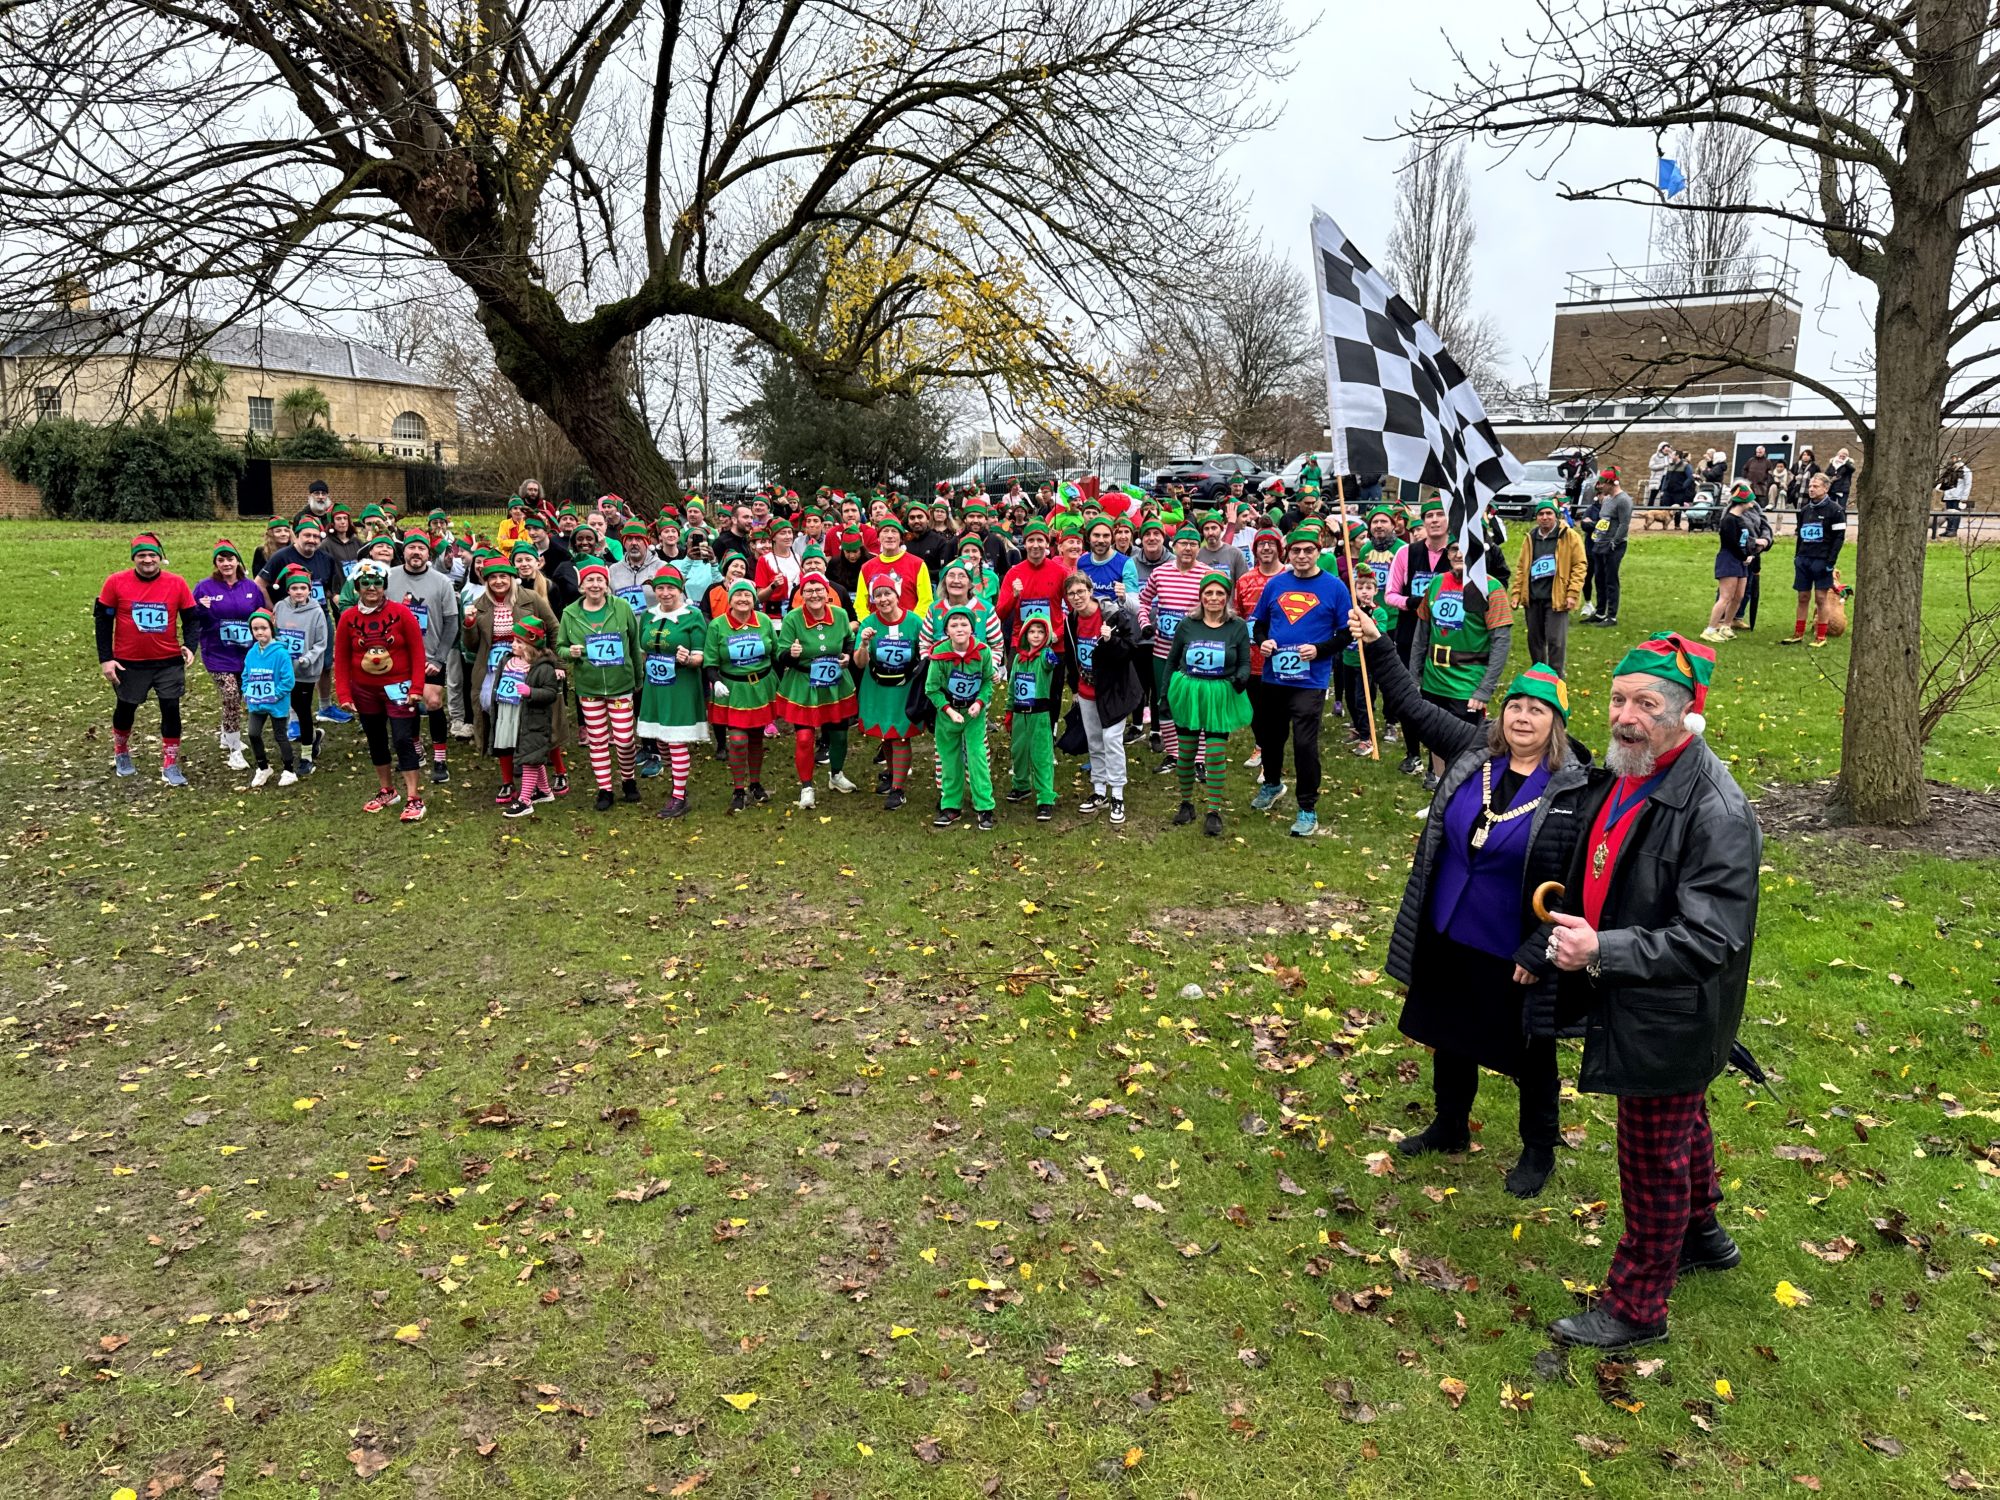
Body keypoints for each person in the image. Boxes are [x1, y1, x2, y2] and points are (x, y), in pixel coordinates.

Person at [1530, 633, 1761, 1351]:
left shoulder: (1715, 810)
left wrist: (1603, 948)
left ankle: (1637, 1306)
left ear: (1688, 715)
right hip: (1634, 989)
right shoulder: (1633, 770)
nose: (1626, 716)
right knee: (1682, 1121)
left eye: (1646, 704)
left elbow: (1710, 938)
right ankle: (1703, 1235)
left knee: (1650, 1150)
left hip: (1669, 1006)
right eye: (1619, 699)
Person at [1357, 607, 1595, 1197]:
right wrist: (1380, 644)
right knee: (1449, 1027)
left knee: (1529, 1051)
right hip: (1450, 921)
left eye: (1537, 710)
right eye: (1516, 705)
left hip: (1514, 940)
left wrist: (1542, 947)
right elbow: (1413, 707)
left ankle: (1539, 1148)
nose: (1522, 717)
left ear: (1556, 723)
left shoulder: (1576, 789)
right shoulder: (1474, 752)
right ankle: (1450, 1124)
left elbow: (1581, 885)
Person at [1249, 528, 1353, 837]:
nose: (1302, 556)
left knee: (1305, 743)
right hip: (1274, 676)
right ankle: (1272, 784)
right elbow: (1260, 625)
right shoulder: (1276, 584)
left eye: (1308, 550)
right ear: (1287, 554)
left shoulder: (1334, 587)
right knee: (1271, 736)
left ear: (1318, 552)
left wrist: (1319, 650)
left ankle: (1307, 808)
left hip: (1311, 679)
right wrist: (1263, 642)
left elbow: (1346, 633)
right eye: (1296, 551)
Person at [97, 533, 200, 784]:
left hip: (167, 660)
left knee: (171, 709)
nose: (147, 560)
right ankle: (121, 751)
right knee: (126, 708)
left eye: (152, 555)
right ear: (134, 558)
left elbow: (191, 617)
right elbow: (102, 621)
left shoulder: (176, 583)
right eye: (141, 555)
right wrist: (106, 659)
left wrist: (189, 645)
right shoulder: (115, 582)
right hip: (128, 662)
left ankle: (171, 764)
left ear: (160, 557)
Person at [331, 558, 428, 821]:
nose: (371, 588)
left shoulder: (401, 613)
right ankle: (387, 790)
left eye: (376, 583)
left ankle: (413, 797)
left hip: (399, 689)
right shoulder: (348, 618)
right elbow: (340, 658)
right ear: (357, 586)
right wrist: (344, 693)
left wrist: (417, 686)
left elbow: (418, 652)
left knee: (402, 739)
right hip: (364, 690)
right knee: (375, 739)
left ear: (384, 585)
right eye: (365, 583)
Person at [1413, 541, 1514, 791]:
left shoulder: (1491, 588)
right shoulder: (1436, 583)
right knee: (1435, 736)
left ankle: (1461, 792)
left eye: (1466, 548)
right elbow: (1421, 633)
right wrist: (1414, 676)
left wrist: (1484, 690)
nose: (1458, 554)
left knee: (1465, 744)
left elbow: (1500, 643)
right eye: (1453, 549)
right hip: (1434, 679)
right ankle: (1439, 786)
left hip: (1467, 684)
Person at [1164, 572, 1254, 836]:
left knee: (1214, 752)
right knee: (1186, 753)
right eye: (1209, 593)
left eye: (1219, 594)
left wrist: (1241, 678)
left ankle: (1213, 810)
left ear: (1226, 598)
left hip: (1219, 693)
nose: (1214, 598)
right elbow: (1171, 660)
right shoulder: (1187, 624)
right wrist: (1163, 695)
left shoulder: (1236, 626)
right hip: (1189, 691)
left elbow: (1245, 662)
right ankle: (1186, 802)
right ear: (1201, 596)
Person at [559, 561, 644, 811]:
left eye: (600, 580)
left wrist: (638, 678)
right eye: (590, 580)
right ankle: (604, 788)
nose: (595, 585)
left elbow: (634, 643)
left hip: (621, 684)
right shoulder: (569, 613)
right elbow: (560, 646)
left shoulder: (622, 607)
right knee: (597, 740)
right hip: (590, 687)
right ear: (581, 586)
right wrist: (570, 651)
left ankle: (628, 780)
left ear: (607, 585)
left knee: (625, 738)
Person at [1061, 572, 1141, 824]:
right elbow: (1072, 657)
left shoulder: (1112, 615)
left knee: (1112, 739)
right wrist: (1074, 687)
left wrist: (1110, 640)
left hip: (1114, 691)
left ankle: (1117, 793)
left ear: (1090, 590)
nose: (1077, 597)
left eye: (1080, 591)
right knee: (1095, 740)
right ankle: (1099, 791)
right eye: (1071, 594)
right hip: (1087, 690)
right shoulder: (1070, 621)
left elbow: (1130, 649)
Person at [775, 572, 859, 809]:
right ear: (802, 595)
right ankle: (807, 787)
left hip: (835, 684)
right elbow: (781, 654)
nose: (814, 595)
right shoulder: (793, 618)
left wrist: (848, 656)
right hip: (804, 683)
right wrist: (790, 655)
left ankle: (836, 775)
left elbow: (848, 641)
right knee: (804, 737)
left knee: (839, 734)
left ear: (827, 592)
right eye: (809, 591)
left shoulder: (840, 615)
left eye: (819, 589)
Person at [387, 529, 461, 785]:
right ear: (403, 551)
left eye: (421, 548)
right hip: (398, 657)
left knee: (432, 702)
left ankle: (440, 758)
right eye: (411, 547)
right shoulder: (389, 578)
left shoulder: (441, 582)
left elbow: (452, 622)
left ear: (428, 553)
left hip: (431, 656)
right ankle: (416, 750)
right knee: (407, 703)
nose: (416, 552)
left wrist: (439, 658)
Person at [636, 566, 709, 820]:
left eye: (670, 588)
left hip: (681, 685)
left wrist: (688, 659)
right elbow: (643, 649)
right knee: (661, 739)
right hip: (655, 685)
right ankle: (679, 782)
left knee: (676, 740)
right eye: (660, 588)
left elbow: (701, 656)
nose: (665, 593)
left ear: (680, 590)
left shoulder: (693, 615)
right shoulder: (648, 615)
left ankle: (679, 796)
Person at [1386, 500, 1451, 774]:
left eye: (1440, 515)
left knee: (1440, 696)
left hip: (1447, 635)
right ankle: (1413, 753)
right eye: (1429, 516)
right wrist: (1416, 602)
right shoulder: (1406, 553)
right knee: (1409, 691)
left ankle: (1441, 757)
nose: (1434, 520)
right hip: (1410, 632)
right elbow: (1390, 595)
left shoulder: (1459, 554)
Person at [1136, 526, 1207, 776]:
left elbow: (1220, 608)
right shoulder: (1161, 573)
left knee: (1193, 704)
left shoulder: (1207, 575)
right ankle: (1174, 753)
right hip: (1162, 651)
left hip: (1194, 654)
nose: (1187, 548)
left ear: (1199, 547)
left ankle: (1198, 758)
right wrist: (1145, 623)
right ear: (1173, 545)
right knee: (1164, 701)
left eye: (1193, 544)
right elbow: (1144, 601)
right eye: (1183, 543)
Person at [705, 578, 779, 811]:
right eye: (738, 595)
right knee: (737, 740)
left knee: (756, 738)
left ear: (754, 599)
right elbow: (709, 661)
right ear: (730, 599)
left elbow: (776, 653)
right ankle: (738, 788)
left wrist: (777, 682)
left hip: (760, 687)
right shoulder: (718, 625)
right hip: (733, 689)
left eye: (748, 595)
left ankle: (755, 784)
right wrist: (715, 681)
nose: (743, 599)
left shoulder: (764, 621)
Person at [192, 540, 266, 770]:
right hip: (217, 654)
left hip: (246, 653)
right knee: (231, 693)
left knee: (242, 696)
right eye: (221, 560)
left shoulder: (250, 588)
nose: (226, 563)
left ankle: (227, 732)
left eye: (230, 559)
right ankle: (234, 749)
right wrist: (200, 609)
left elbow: (260, 616)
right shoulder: (204, 588)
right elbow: (193, 619)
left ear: (237, 561)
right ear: (216, 563)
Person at [854, 577, 925, 811]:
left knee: (901, 734)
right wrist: (864, 644)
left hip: (905, 688)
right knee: (886, 733)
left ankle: (898, 789)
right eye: (878, 595)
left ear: (897, 595)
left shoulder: (914, 622)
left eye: (888, 594)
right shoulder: (869, 623)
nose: (883, 599)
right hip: (877, 686)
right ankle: (894, 775)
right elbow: (860, 663)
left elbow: (925, 654)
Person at [927, 605, 997, 830]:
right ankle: (951, 806)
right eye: (954, 624)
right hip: (948, 713)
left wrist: (979, 703)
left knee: (977, 757)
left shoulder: (983, 651)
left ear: (972, 628)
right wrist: (948, 710)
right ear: (946, 630)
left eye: (964, 624)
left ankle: (984, 806)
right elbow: (932, 689)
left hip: (974, 713)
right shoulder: (939, 655)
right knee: (949, 759)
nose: (959, 628)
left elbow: (988, 681)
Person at [497, 615, 564, 818]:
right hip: (517, 716)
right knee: (531, 754)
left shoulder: (544, 668)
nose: (513, 644)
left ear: (530, 645)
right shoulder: (510, 661)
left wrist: (530, 692)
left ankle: (525, 801)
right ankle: (544, 791)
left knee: (530, 759)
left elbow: (551, 693)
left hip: (535, 718)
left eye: (518, 641)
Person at [1509, 498, 1584, 676]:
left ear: (1556, 516)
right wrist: (1516, 593)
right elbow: (1522, 568)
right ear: (1536, 517)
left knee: (1555, 640)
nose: (1545, 517)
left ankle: (1557, 677)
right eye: (1541, 514)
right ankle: (1538, 674)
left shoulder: (1569, 536)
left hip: (1556, 597)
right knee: (1534, 640)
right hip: (1533, 597)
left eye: (1549, 513)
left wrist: (1572, 593)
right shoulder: (1531, 538)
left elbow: (1580, 565)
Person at [271, 565, 330, 771]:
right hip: (284, 669)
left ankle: (307, 756)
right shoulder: (280, 607)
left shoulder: (316, 612)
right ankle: (314, 737)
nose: (298, 592)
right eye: (294, 588)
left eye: (302, 588)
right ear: (288, 590)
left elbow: (321, 642)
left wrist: (308, 658)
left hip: (306, 670)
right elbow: (275, 632)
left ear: (309, 590)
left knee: (303, 710)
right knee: (290, 706)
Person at [1002, 617, 1061, 820]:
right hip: (1019, 713)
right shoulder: (1018, 659)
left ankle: (1045, 798)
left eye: (1040, 632)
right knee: (1018, 751)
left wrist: (1049, 653)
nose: (1036, 636)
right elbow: (1012, 686)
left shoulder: (1046, 655)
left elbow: (1051, 662)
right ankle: (1021, 785)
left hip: (1039, 714)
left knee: (1041, 755)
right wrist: (1009, 711)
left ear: (1046, 636)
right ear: (1025, 634)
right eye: (1032, 632)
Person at [1780, 472, 1847, 648]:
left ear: (1826, 488)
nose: (1811, 489)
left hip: (1822, 559)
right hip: (1804, 559)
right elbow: (1800, 535)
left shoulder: (1836, 510)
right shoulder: (1805, 510)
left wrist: (1830, 562)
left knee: (1820, 598)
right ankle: (1798, 633)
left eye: (1815, 486)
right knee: (1802, 597)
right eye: (1810, 486)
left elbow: (1839, 538)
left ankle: (1821, 636)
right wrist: (1797, 556)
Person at [240, 610, 298, 787]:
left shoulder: (281, 654)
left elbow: (289, 680)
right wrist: (246, 691)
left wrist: (275, 695)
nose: (259, 632)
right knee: (253, 733)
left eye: (263, 628)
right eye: (255, 629)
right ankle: (263, 767)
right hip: (256, 703)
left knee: (280, 735)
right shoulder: (251, 653)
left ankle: (289, 770)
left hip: (277, 703)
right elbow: (245, 675)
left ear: (271, 628)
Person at [1341, 567, 1389, 754]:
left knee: (1363, 699)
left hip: (1366, 663)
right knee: (1350, 698)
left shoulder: (1379, 613)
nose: (1364, 592)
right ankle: (1358, 728)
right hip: (1349, 659)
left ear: (1375, 591)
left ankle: (1367, 737)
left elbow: (1379, 634)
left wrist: (1368, 619)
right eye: (1360, 588)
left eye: (1368, 588)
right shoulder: (1351, 611)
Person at [1702, 486, 1756, 642]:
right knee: (1725, 596)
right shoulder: (1728, 520)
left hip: (1741, 560)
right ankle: (1710, 629)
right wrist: (1744, 556)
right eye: (1750, 499)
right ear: (1743, 501)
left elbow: (1743, 541)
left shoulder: (1740, 519)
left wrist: (1749, 553)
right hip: (1729, 559)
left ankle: (1726, 625)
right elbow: (1731, 543)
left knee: (1738, 596)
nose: (1753, 502)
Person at [1585, 472, 1632, 628]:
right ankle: (1600, 612)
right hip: (1599, 543)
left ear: (1612, 482)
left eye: (1602, 483)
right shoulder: (1606, 499)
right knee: (1599, 578)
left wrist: (1614, 542)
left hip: (1613, 546)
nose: (1599, 487)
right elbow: (1603, 521)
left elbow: (1624, 524)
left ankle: (1611, 616)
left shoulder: (1624, 500)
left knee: (1611, 580)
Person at [1659, 450, 1695, 529]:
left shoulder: (1686, 466)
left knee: (1678, 509)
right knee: (1666, 507)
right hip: (1668, 490)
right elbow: (1666, 478)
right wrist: (1663, 489)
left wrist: (1683, 486)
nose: (1671, 455)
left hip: (1679, 492)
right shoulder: (1670, 465)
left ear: (1677, 456)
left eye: (1672, 454)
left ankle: (1677, 525)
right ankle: (1665, 525)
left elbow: (1690, 478)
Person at [1936, 456, 1970, 539]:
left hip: (1958, 496)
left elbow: (1967, 484)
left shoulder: (1965, 471)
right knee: (1948, 513)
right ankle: (1948, 529)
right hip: (1949, 495)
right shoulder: (1950, 470)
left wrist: (1964, 497)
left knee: (1956, 513)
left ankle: (1953, 530)